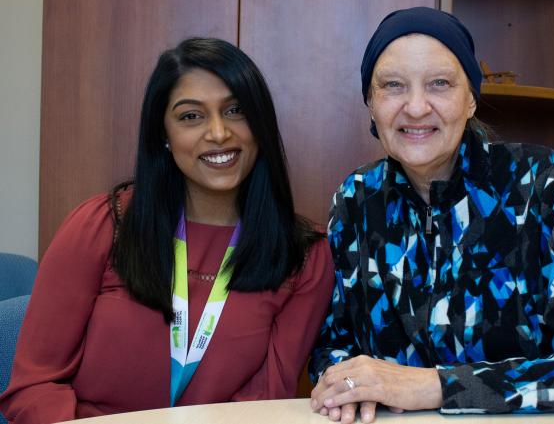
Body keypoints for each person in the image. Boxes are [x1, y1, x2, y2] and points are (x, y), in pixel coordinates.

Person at [310, 7, 554, 423]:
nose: (416, 107)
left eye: (440, 84)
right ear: (371, 103)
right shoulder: (356, 199)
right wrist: (346, 383)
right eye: (393, 86)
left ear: (470, 99)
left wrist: (434, 385)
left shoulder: (541, 184)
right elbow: (331, 345)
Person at [0, 37, 334, 423]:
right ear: (164, 133)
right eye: (191, 116)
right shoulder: (102, 226)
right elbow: (34, 386)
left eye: (236, 110)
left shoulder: (304, 256)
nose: (219, 133)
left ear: (259, 123)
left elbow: (263, 403)